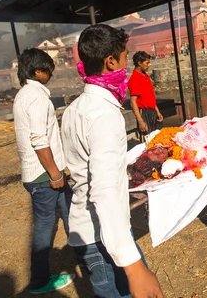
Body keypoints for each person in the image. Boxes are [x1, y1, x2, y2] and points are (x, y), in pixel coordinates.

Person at [62, 24, 164, 298]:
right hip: (102, 235)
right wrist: (134, 269)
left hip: (90, 229)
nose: (126, 66)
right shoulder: (104, 114)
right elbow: (104, 191)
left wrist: (139, 153)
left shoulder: (75, 109)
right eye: (123, 57)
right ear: (111, 62)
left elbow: (87, 165)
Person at [12, 48, 74, 295]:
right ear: (38, 71)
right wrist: (55, 175)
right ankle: (39, 281)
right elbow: (39, 140)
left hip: (45, 172)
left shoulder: (25, 94)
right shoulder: (36, 98)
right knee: (45, 226)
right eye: (48, 69)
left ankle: (86, 256)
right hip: (44, 175)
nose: (51, 73)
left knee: (70, 211)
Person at [129, 51, 163, 141]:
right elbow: (133, 101)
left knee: (156, 138)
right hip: (144, 113)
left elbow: (150, 96)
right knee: (147, 141)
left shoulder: (146, 76)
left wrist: (157, 111)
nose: (149, 65)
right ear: (139, 63)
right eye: (147, 63)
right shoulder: (135, 79)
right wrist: (140, 121)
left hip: (152, 111)